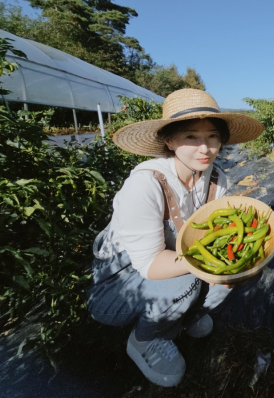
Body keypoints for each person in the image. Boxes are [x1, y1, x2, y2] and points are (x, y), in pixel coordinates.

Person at [87, 89, 264, 387]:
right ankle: (144, 339)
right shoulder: (145, 185)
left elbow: (207, 233)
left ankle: (183, 314)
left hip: (174, 258)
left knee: (235, 267)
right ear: (169, 141)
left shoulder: (216, 178)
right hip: (120, 281)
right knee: (189, 279)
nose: (205, 148)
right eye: (191, 137)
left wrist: (229, 262)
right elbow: (150, 264)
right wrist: (209, 265)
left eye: (212, 136)